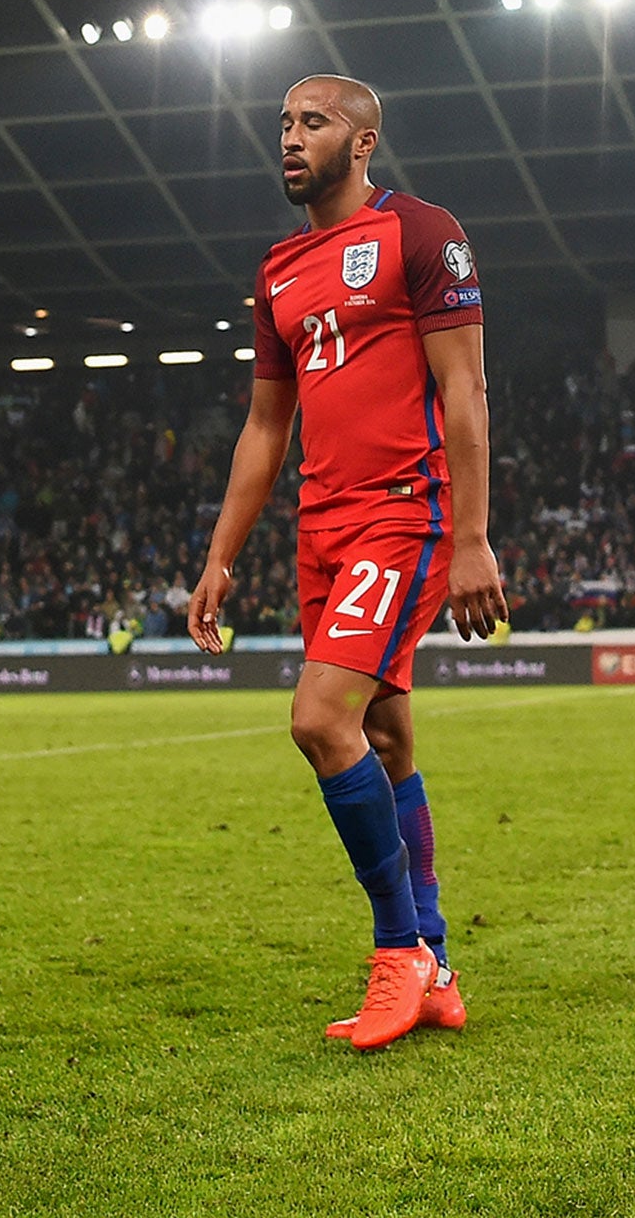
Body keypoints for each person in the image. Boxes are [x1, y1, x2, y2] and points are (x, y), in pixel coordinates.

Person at [189, 74, 507, 1051]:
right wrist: (219, 555)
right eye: (282, 123)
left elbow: (463, 389)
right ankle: (437, 965)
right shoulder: (278, 267)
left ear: (362, 142)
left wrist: (468, 537)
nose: (289, 138)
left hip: (398, 518)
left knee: (319, 720)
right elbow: (263, 425)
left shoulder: (419, 233)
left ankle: (396, 952)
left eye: (312, 123)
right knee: (389, 739)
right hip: (319, 531)